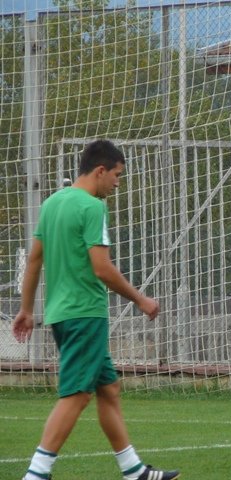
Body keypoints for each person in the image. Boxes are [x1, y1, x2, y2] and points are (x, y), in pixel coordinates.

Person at [12, 140, 179, 480]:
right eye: (117, 175)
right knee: (76, 395)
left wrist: (27, 309)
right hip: (85, 314)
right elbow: (102, 268)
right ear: (100, 171)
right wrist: (141, 299)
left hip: (61, 314)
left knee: (108, 388)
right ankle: (36, 473)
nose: (118, 183)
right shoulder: (91, 207)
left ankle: (133, 470)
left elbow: (33, 261)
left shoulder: (52, 204)